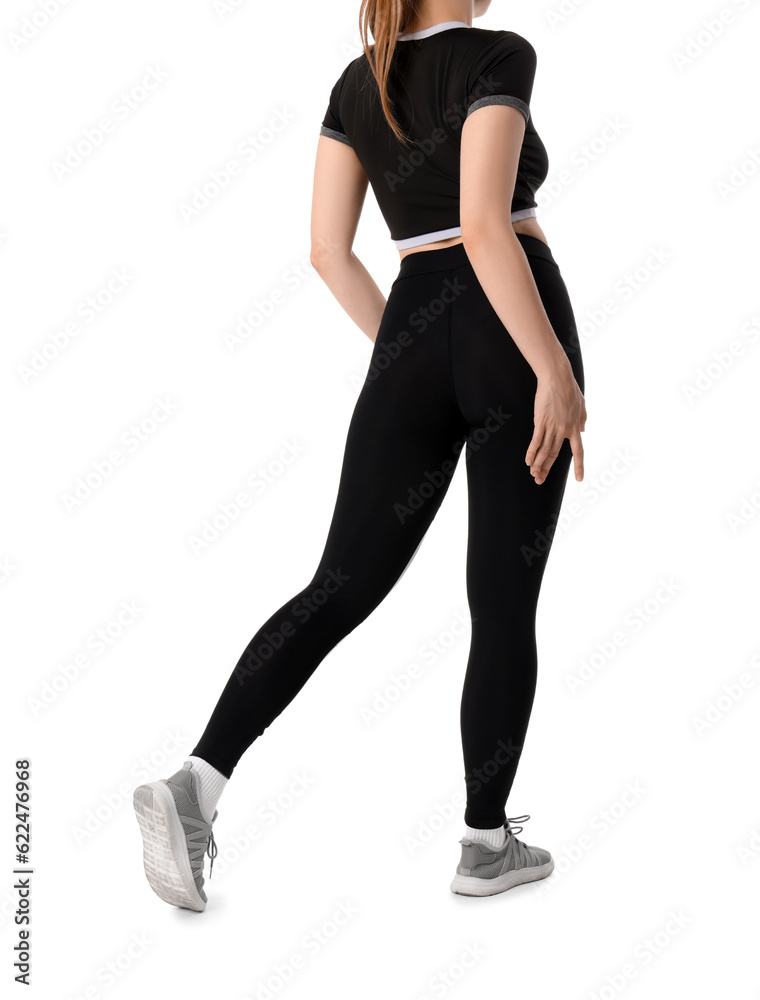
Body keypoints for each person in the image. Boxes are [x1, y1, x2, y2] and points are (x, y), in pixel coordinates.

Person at [133, 0, 587, 909]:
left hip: (413, 327)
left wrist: (412, 369)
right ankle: (483, 844)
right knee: (502, 597)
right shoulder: (500, 53)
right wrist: (552, 373)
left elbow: (327, 251)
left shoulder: (358, 80)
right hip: (512, 322)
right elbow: (487, 223)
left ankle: (197, 783)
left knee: (338, 584)